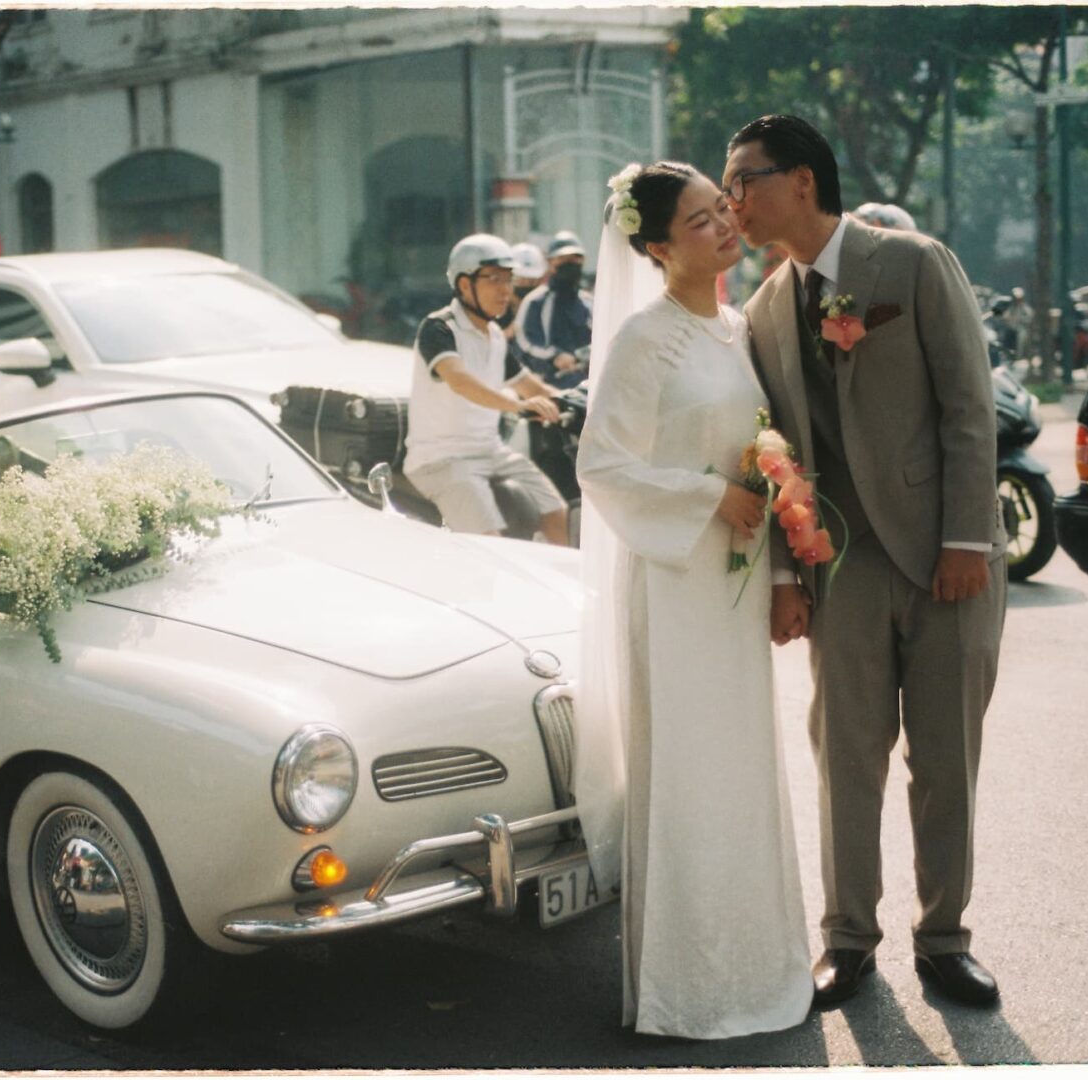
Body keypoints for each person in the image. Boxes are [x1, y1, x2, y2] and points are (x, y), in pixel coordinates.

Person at [722, 114, 1007, 1009]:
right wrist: (784, 576)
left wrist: (967, 537)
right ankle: (847, 939)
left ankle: (944, 938)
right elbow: (770, 451)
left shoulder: (913, 263)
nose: (732, 201)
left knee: (947, 758)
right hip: (837, 569)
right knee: (846, 758)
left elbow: (969, 405)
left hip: (942, 559)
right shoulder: (765, 309)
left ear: (801, 180)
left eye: (744, 180)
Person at [572, 161, 812, 1038]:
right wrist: (710, 498)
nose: (725, 227)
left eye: (724, 211)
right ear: (656, 247)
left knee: (743, 772)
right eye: (703, 221)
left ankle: (758, 971)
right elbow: (601, 464)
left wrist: (786, 574)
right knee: (689, 777)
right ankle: (691, 990)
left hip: (736, 589)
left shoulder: (738, 328)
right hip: (674, 588)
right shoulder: (648, 337)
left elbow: (768, 451)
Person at [402, 233, 571, 545]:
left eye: (509, 279)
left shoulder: (493, 335)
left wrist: (575, 403)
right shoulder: (439, 328)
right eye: (494, 279)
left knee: (557, 512)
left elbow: (530, 385)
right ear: (465, 285)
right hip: (443, 458)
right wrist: (519, 406)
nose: (505, 290)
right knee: (492, 544)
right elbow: (461, 382)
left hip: (491, 451)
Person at [515, 230, 593, 389]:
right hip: (549, 388)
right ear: (550, 262)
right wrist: (555, 356)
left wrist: (584, 356)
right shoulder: (535, 302)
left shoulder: (589, 302)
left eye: (574, 258)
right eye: (562, 259)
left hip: (589, 388)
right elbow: (525, 341)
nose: (569, 263)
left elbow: (603, 340)